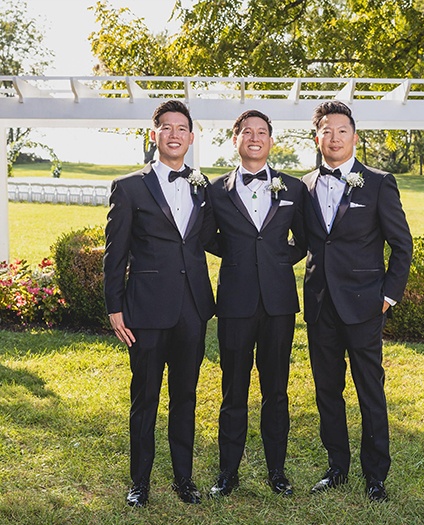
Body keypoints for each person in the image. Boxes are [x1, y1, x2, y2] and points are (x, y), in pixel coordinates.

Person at [103, 99, 215, 507]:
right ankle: (140, 483)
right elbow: (115, 253)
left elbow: (208, 239)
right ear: (155, 135)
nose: (174, 134)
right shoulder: (130, 186)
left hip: (193, 309)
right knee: (145, 397)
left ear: (190, 136)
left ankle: (184, 480)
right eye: (166, 127)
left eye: (181, 127)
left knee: (185, 397)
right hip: (146, 311)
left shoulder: (204, 186)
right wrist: (115, 307)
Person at [302, 100, 412, 502]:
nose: (334, 137)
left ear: (355, 136)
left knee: (370, 390)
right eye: (327, 131)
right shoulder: (305, 184)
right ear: (318, 137)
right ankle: (337, 467)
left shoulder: (380, 182)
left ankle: (375, 475)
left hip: (365, 306)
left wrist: (387, 297)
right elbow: (304, 242)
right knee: (326, 390)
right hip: (319, 305)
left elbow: (402, 245)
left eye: (342, 130)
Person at [207, 109, 306, 498]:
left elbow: (307, 239)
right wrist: (236, 255)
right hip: (234, 301)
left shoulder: (293, 188)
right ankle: (228, 473)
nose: (254, 137)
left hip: (279, 303)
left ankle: (277, 471)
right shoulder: (215, 190)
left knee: (276, 390)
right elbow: (204, 236)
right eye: (246, 132)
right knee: (233, 390)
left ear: (271, 140)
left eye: (261, 132)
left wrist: (277, 261)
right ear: (235, 140)